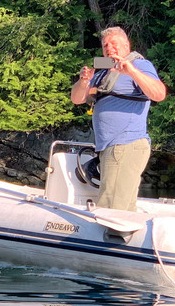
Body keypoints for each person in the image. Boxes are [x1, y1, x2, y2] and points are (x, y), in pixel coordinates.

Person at [70, 26, 166, 211]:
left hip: (125, 145)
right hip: (109, 148)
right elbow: (77, 99)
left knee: (110, 207)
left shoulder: (140, 65)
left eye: (114, 44)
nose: (109, 49)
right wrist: (83, 81)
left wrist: (131, 72)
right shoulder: (102, 72)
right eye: (105, 46)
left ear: (126, 45)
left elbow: (159, 93)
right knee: (121, 206)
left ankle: (106, 238)